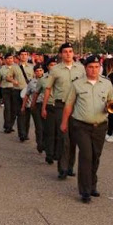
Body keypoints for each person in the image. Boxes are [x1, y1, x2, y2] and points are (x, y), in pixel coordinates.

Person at [60, 55, 113, 203]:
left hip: (100, 125)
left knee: (95, 156)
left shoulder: (106, 84)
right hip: (81, 125)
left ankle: (92, 185)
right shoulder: (77, 84)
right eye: (91, 67)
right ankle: (85, 191)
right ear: (85, 68)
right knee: (86, 155)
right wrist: (64, 123)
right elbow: (69, 105)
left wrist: (110, 105)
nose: (94, 70)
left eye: (96, 67)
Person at [41, 43, 85, 178]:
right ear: (61, 54)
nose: (68, 54)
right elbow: (48, 88)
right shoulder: (55, 70)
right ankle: (62, 168)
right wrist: (44, 106)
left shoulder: (81, 68)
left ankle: (70, 166)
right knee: (63, 137)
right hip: (61, 105)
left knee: (73, 138)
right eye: (65, 51)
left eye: (70, 51)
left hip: (77, 106)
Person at [13, 49, 34, 142]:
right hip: (18, 91)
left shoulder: (32, 67)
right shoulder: (14, 67)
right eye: (22, 54)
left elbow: (34, 79)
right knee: (20, 112)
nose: (24, 56)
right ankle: (21, 134)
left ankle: (26, 133)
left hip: (28, 93)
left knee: (28, 113)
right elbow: (8, 77)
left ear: (28, 56)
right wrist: (13, 81)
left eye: (25, 54)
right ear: (19, 56)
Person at [0, 53, 18, 133]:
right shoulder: (2, 69)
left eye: (11, 58)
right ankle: (7, 126)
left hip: (15, 90)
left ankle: (10, 125)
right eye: (8, 58)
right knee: (7, 108)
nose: (10, 60)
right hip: (5, 90)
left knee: (14, 109)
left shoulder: (17, 68)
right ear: (5, 60)